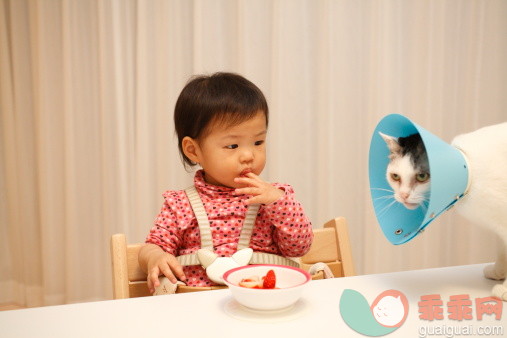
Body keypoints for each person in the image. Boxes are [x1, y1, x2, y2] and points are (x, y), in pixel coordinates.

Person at [138, 72, 314, 293]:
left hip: (261, 303)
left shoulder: (274, 198)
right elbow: (153, 245)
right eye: (233, 146)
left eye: (258, 141)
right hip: (198, 309)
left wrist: (279, 203)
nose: (249, 155)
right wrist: (155, 256)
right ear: (193, 150)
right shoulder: (180, 204)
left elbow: (300, 246)